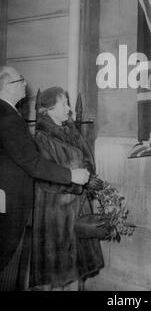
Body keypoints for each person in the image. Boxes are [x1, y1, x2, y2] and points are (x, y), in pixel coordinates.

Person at [0, 66, 90, 291]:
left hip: (10, 200)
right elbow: (32, 162)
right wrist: (71, 175)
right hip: (14, 205)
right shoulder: (8, 117)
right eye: (20, 80)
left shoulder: (8, 113)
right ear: (7, 86)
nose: (25, 83)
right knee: (8, 266)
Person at [30, 86, 104, 290]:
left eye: (68, 103)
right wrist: (76, 183)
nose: (69, 108)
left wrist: (88, 178)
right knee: (59, 275)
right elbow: (45, 178)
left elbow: (88, 160)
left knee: (77, 273)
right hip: (55, 216)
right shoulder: (41, 138)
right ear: (49, 109)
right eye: (64, 104)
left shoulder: (72, 132)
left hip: (77, 211)